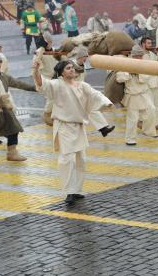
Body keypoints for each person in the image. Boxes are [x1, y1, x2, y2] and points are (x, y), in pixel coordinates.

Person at [32, 60, 113, 205]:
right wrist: (36, 70)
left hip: (79, 127)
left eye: (72, 68)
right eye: (68, 68)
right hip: (64, 127)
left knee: (81, 160)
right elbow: (42, 84)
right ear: (61, 72)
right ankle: (69, 191)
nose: (72, 70)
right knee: (67, 159)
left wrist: (106, 102)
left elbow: (95, 95)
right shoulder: (57, 84)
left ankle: (77, 190)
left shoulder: (82, 85)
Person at [0, 52, 37, 167]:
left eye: (0, 61)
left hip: (3, 107)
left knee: (14, 128)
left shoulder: (4, 77)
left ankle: (12, 153)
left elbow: (19, 83)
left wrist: (36, 88)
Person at [116, 45, 157, 145]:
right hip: (132, 95)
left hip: (144, 92)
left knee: (152, 110)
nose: (139, 58)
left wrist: (138, 73)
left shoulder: (144, 64)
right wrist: (129, 74)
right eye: (137, 56)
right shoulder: (125, 64)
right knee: (133, 118)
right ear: (133, 56)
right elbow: (119, 78)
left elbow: (147, 77)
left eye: (141, 56)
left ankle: (148, 131)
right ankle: (130, 139)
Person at [71, 46, 115, 137]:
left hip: (81, 92)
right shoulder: (71, 66)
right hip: (72, 94)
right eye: (85, 57)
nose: (86, 59)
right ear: (80, 56)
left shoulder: (82, 66)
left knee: (92, 108)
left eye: (86, 57)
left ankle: (103, 129)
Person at [31, 32, 58, 126]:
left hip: (56, 78)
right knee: (51, 97)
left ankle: (55, 115)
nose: (50, 42)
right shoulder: (39, 53)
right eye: (48, 41)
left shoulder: (55, 50)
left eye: (51, 41)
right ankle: (46, 114)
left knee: (58, 97)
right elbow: (35, 67)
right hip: (45, 79)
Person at [141, 36, 158, 130]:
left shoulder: (152, 54)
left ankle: (157, 123)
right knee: (149, 107)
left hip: (155, 82)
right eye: (148, 43)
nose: (150, 45)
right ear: (143, 44)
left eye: (151, 43)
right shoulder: (139, 55)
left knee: (157, 105)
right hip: (145, 84)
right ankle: (145, 123)